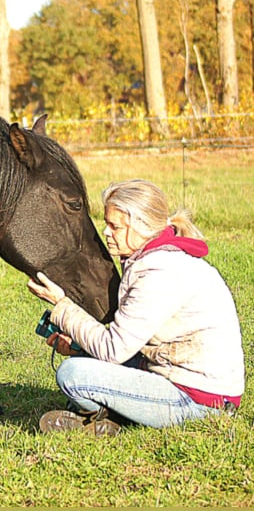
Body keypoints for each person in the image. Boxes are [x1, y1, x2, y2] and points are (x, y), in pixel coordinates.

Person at [27, 179, 245, 435]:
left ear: (141, 226)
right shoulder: (154, 260)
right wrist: (79, 344)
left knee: (72, 374)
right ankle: (112, 416)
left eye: (114, 226)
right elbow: (127, 339)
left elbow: (113, 349)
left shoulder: (159, 273)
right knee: (85, 359)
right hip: (174, 374)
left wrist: (62, 306)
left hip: (199, 399)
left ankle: (114, 415)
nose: (106, 232)